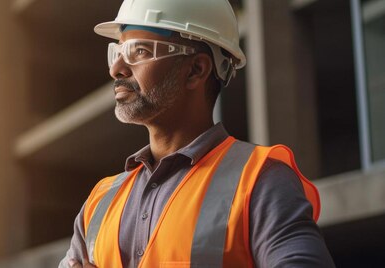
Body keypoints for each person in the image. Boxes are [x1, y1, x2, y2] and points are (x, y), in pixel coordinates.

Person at [59, 0, 335, 267]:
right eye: (117, 52)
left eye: (139, 51)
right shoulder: (100, 200)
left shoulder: (260, 180)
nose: (116, 68)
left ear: (195, 70)